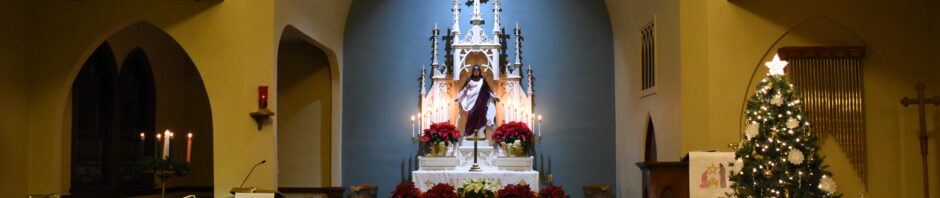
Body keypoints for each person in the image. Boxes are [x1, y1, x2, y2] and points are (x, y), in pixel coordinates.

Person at [455, 65, 499, 137]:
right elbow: (464, 90)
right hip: (471, 103)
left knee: (481, 118)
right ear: (473, 72)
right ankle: (468, 134)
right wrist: (459, 98)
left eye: (477, 71)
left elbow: (488, 90)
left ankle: (481, 134)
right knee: (471, 116)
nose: (476, 72)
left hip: (481, 102)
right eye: (475, 71)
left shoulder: (483, 80)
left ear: (479, 71)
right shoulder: (469, 79)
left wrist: (494, 97)